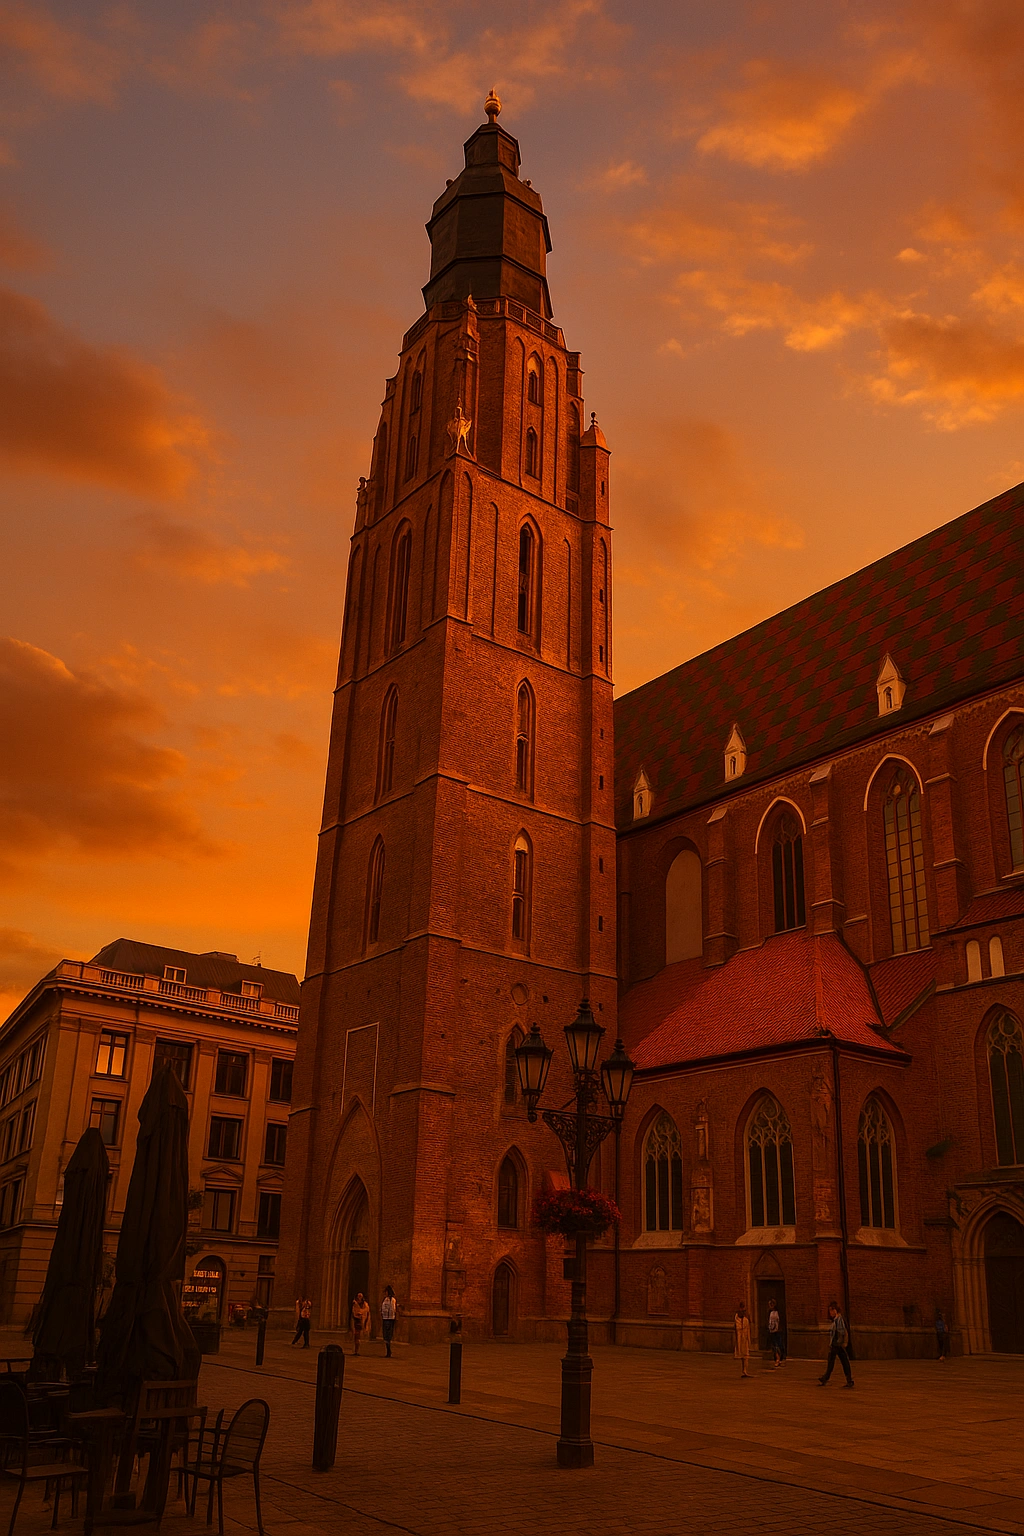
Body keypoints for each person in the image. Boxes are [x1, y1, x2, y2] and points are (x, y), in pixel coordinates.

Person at [819, 1302, 854, 1388]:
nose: (830, 1313)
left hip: (837, 1345)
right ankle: (848, 1379)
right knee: (843, 1361)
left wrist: (838, 1342)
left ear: (834, 1310)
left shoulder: (839, 1320)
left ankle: (826, 1377)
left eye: (830, 1311)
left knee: (834, 1361)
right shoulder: (836, 1320)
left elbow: (841, 1332)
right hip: (836, 1344)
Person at [734, 1301, 751, 1379]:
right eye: (743, 1311)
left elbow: (748, 1330)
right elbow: (736, 1329)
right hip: (739, 1338)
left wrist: (749, 1340)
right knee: (741, 1355)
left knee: (746, 1355)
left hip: (745, 1339)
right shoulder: (736, 1319)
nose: (744, 1312)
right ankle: (743, 1369)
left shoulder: (746, 1320)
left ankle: (745, 1370)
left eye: (745, 1311)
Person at [768, 1297, 786, 1367]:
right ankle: (777, 1359)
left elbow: (780, 1320)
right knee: (774, 1346)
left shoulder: (778, 1312)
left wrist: (779, 1328)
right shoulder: (769, 1312)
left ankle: (781, 1358)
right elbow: (769, 1321)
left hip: (778, 1331)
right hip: (772, 1331)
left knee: (780, 1345)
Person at [381, 1285, 398, 1358]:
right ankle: (388, 1349)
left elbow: (392, 1309)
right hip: (385, 1318)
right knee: (385, 1335)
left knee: (388, 1335)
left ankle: (389, 1350)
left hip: (389, 1318)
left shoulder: (392, 1300)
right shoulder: (385, 1299)